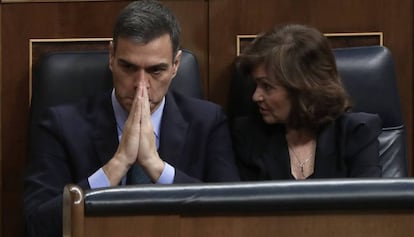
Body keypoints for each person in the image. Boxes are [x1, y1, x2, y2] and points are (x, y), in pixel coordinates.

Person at [23, 1, 239, 236]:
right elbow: (37, 225)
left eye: (156, 70)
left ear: (175, 65)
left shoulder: (208, 122)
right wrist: (116, 165)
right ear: (112, 57)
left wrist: (157, 168)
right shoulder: (61, 125)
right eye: (128, 67)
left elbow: (232, 218)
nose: (140, 85)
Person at [232, 24, 382, 181]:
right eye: (256, 85)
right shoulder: (247, 136)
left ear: (303, 88)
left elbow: (369, 202)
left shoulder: (356, 133)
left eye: (267, 87)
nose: (256, 97)